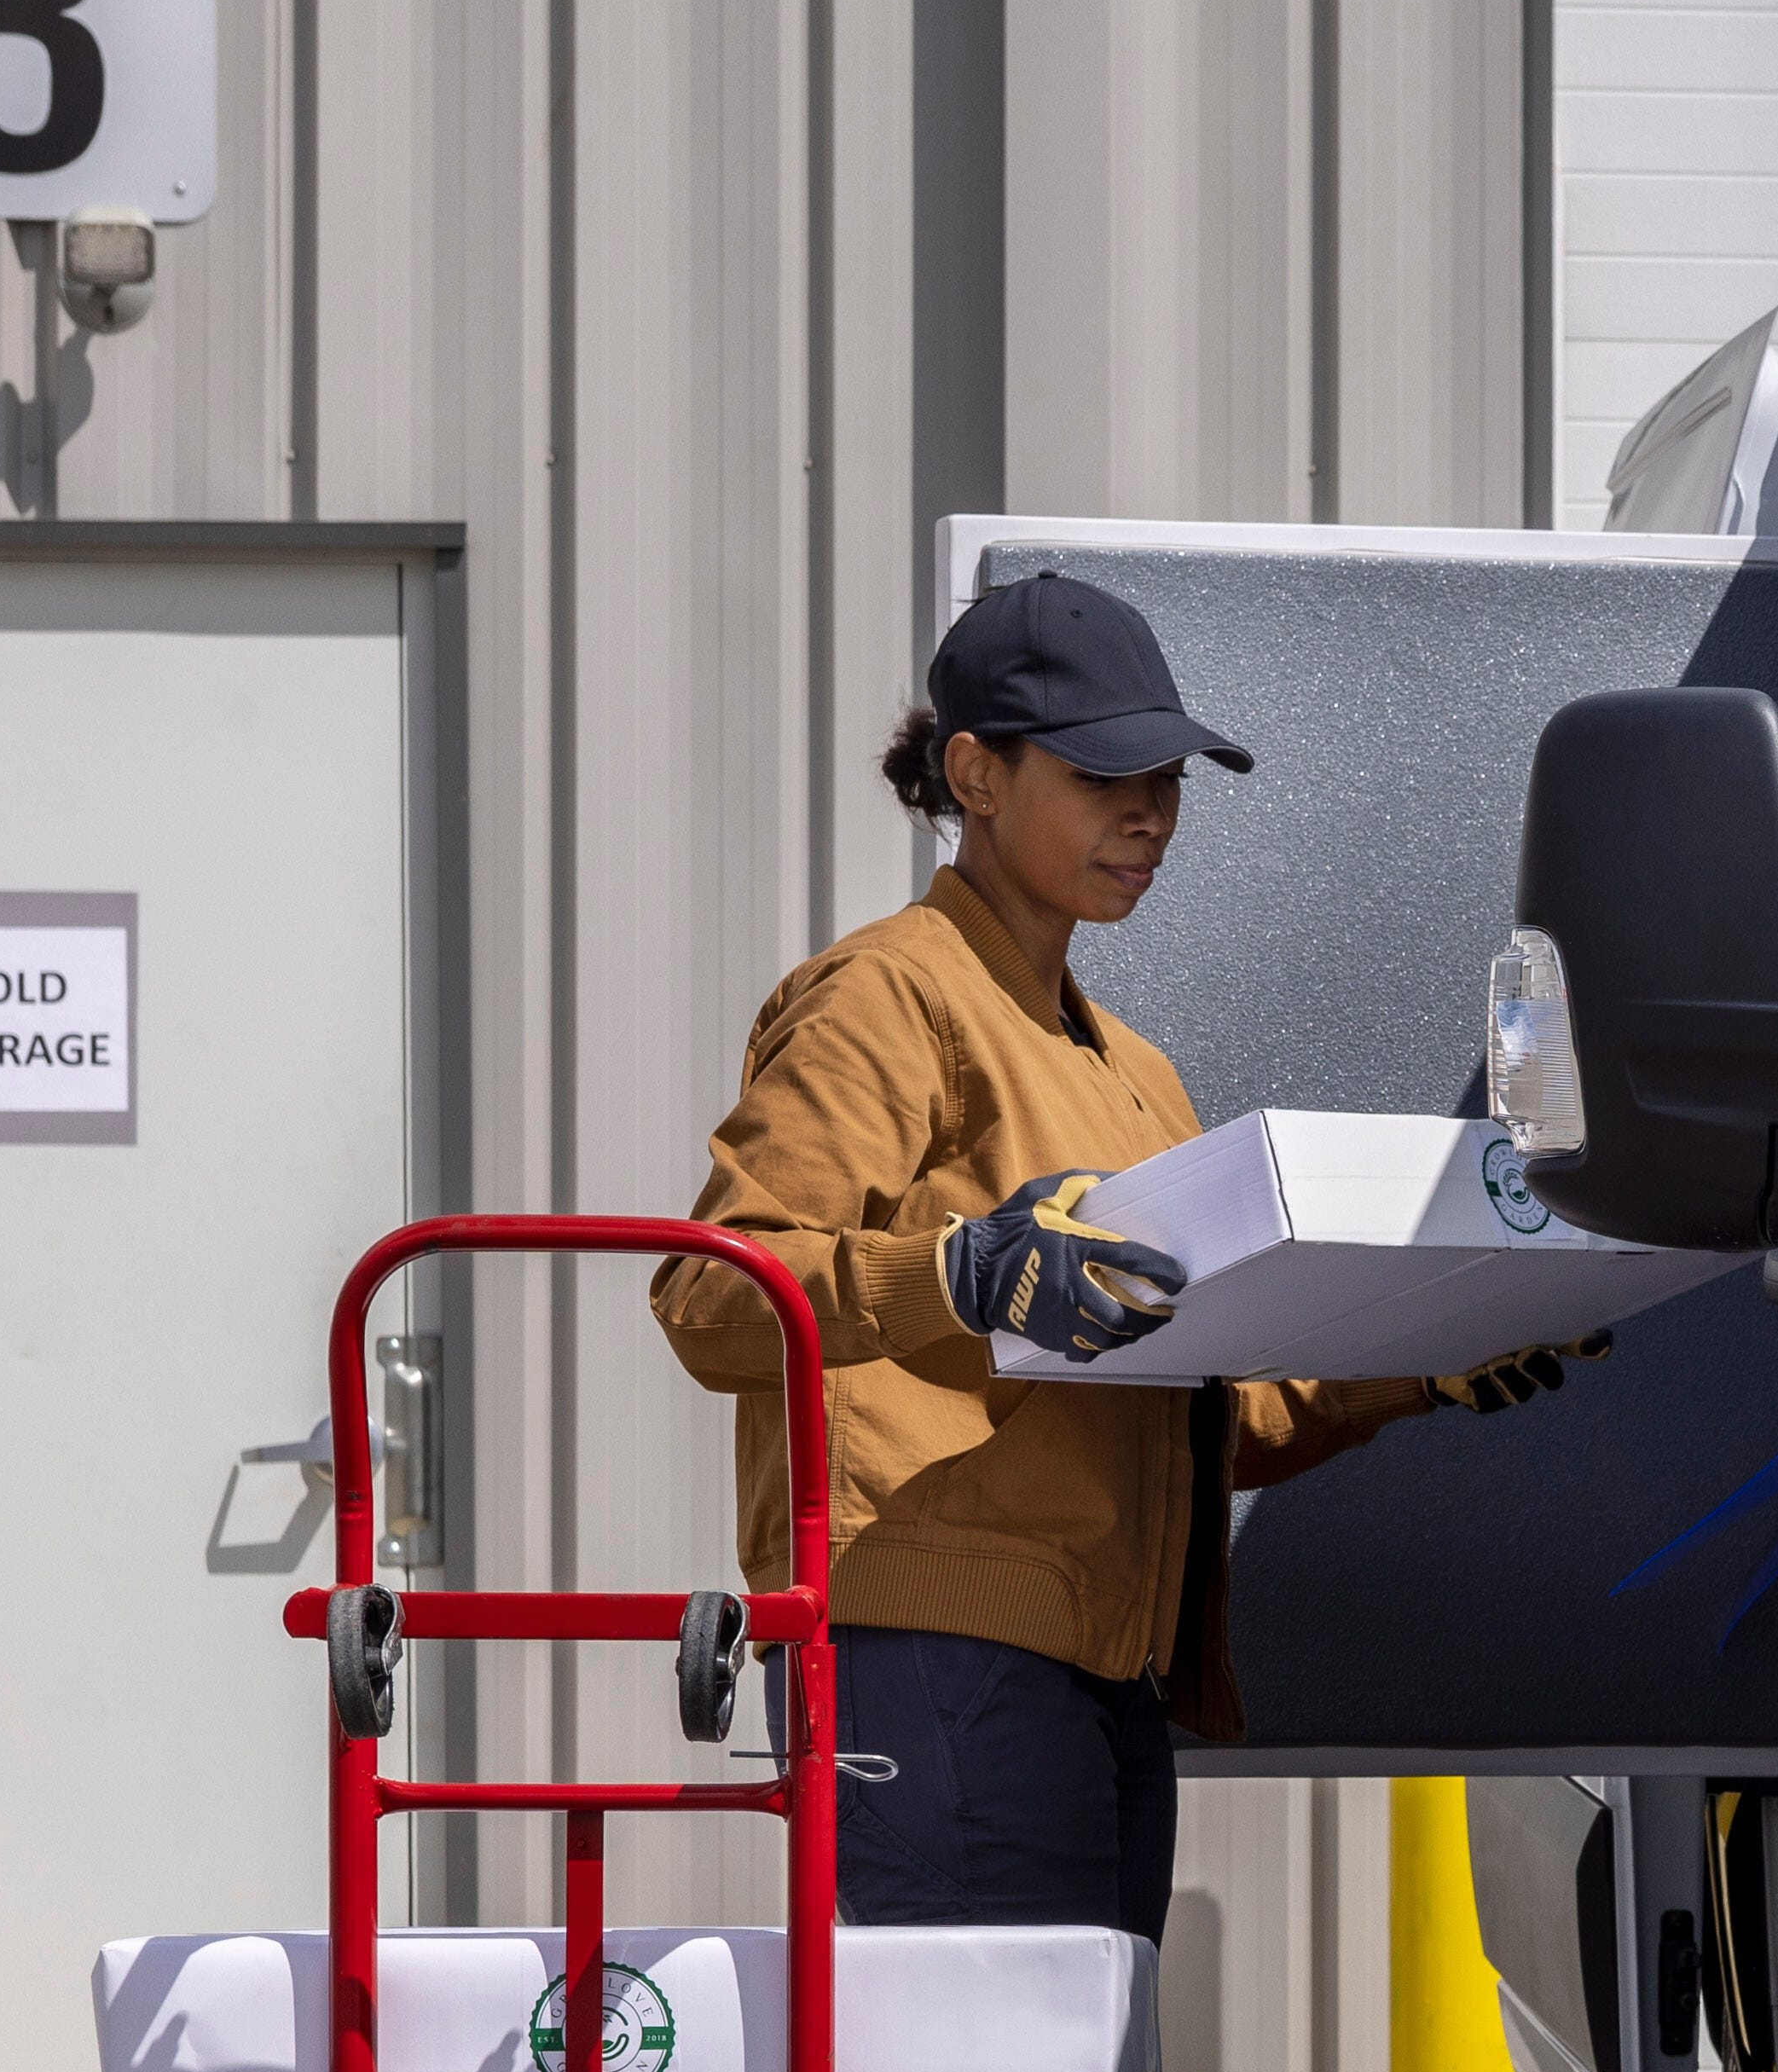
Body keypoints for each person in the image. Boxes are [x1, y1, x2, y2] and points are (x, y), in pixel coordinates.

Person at [654, 570, 1576, 1934]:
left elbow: (1190, 1412)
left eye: (1168, 776)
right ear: (974, 773)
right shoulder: (887, 997)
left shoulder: (1133, 1068)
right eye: (1102, 776)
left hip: (1103, 1677)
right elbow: (713, 1294)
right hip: (927, 1661)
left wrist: (1425, 1370)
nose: (1149, 812)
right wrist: (956, 1273)